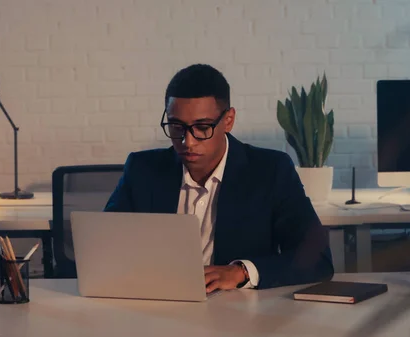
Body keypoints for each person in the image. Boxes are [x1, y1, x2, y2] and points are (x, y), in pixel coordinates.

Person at [104, 64, 334, 292]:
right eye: (176, 127)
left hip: (237, 314)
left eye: (202, 127)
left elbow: (317, 259)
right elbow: (105, 245)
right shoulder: (142, 169)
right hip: (157, 304)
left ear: (228, 120)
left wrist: (242, 272)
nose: (187, 142)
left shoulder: (271, 171)